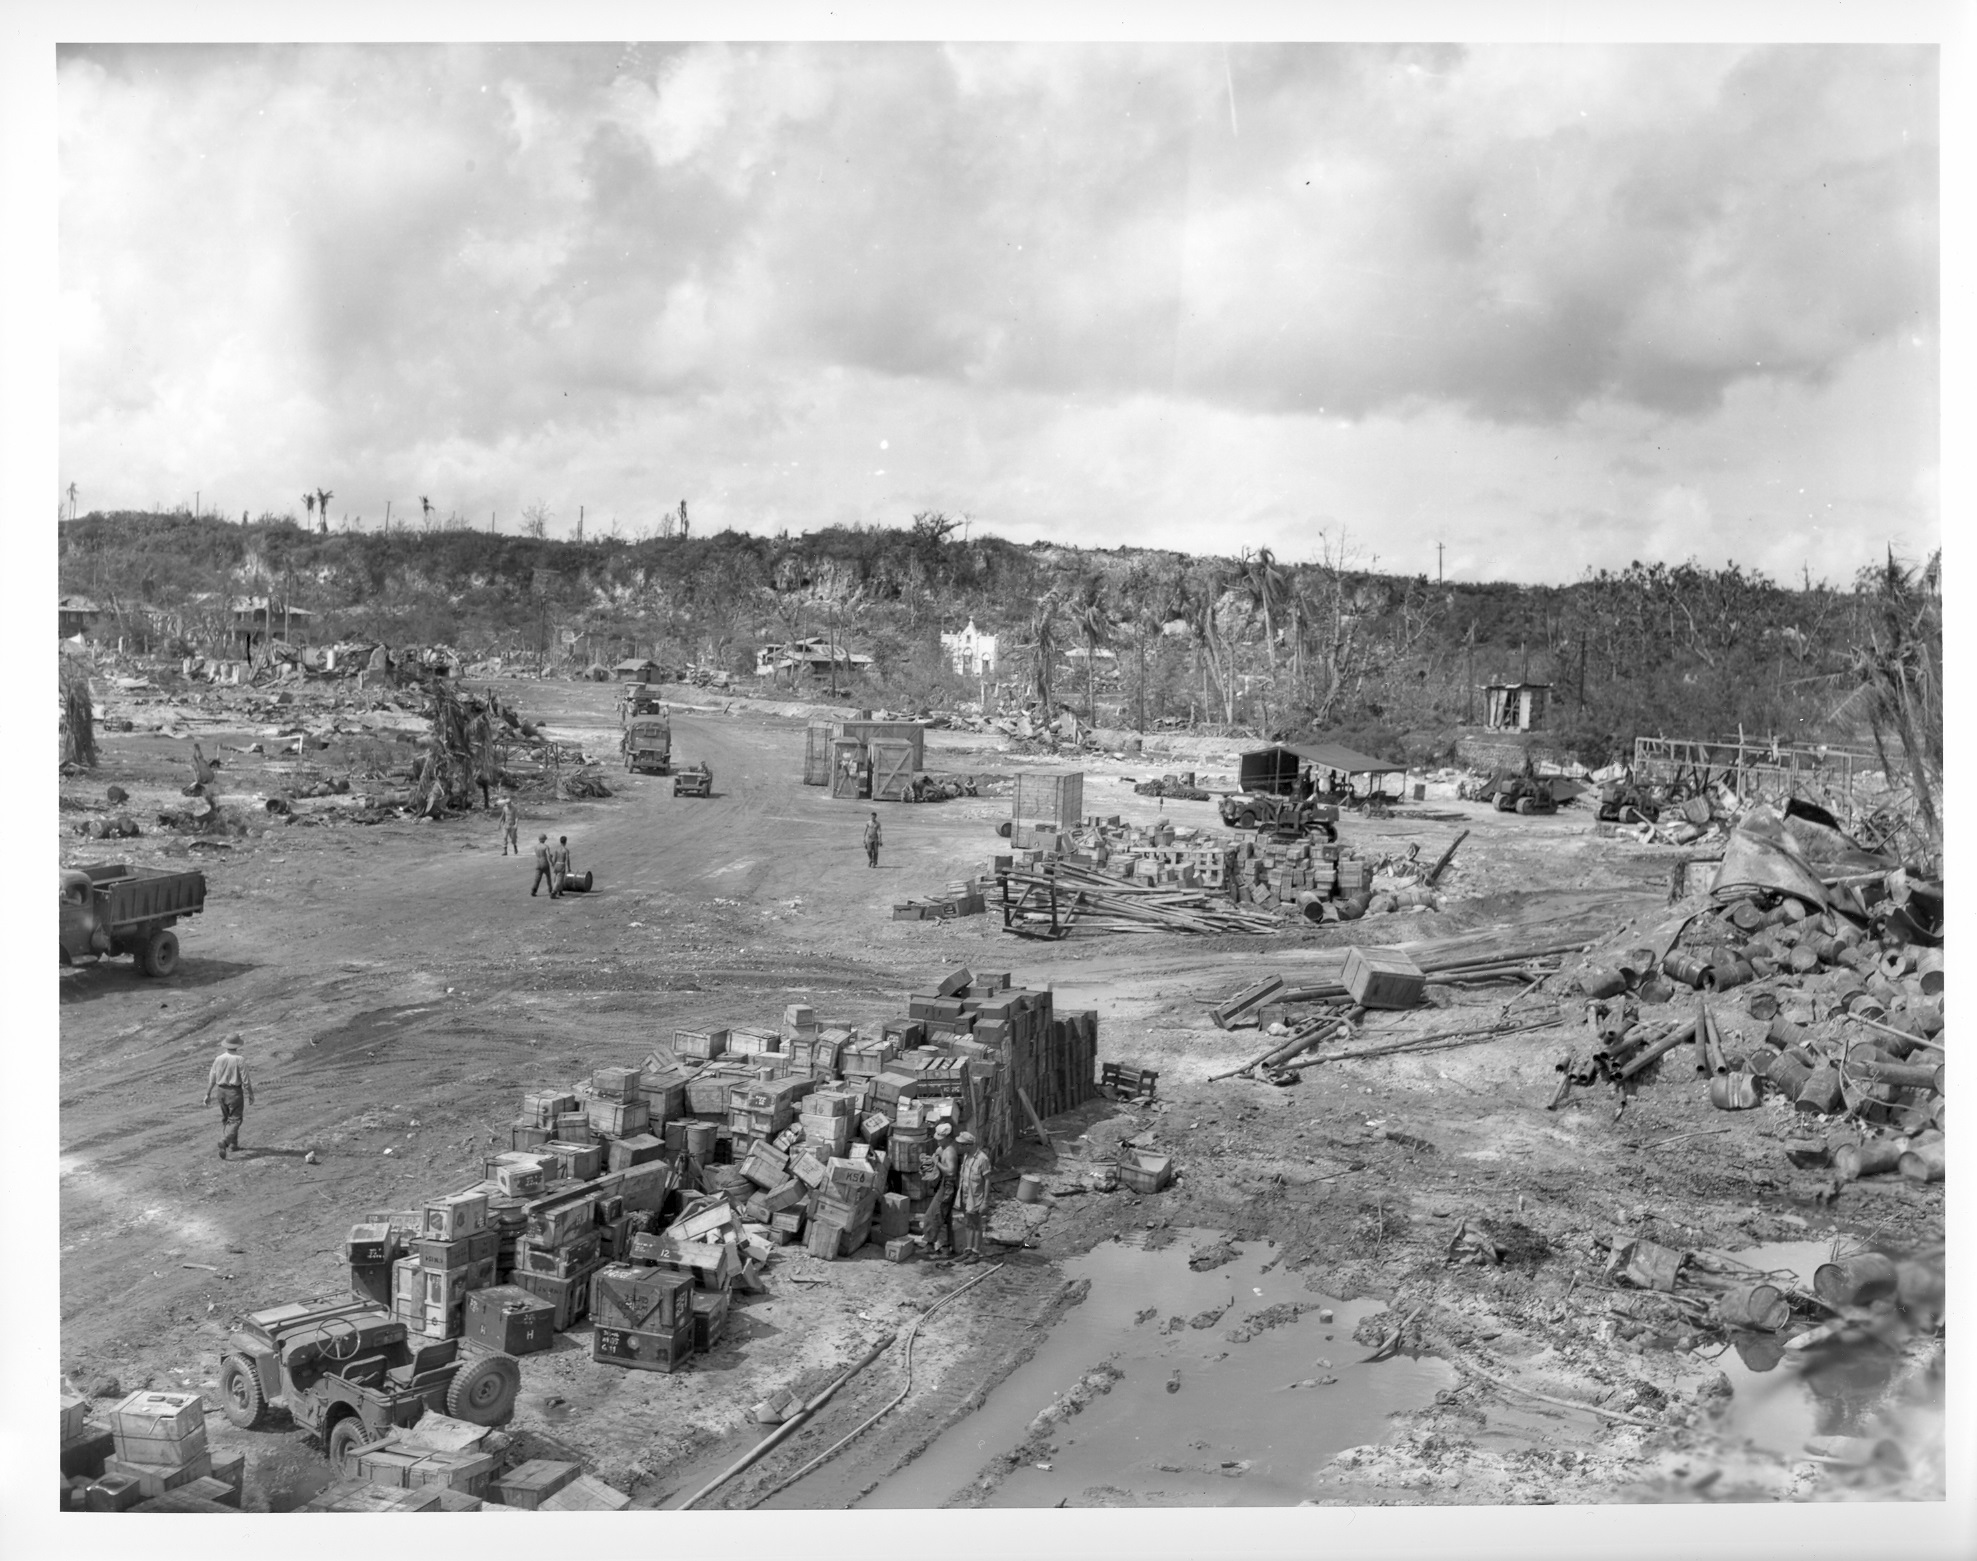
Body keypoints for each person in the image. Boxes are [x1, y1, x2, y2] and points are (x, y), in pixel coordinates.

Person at [204, 1033, 256, 1160]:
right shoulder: (239, 1059)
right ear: (237, 1045)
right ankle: (225, 1141)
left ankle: (233, 1145)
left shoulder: (218, 1059)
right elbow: (245, 1080)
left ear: (226, 1045)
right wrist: (250, 1094)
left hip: (220, 1091)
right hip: (234, 1093)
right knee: (236, 1120)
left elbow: (212, 1078)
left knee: (227, 1119)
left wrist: (208, 1093)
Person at [956, 1132, 993, 1264]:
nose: (959, 1147)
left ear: (968, 1145)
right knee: (968, 1223)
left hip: (976, 1197)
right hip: (966, 1195)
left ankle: (976, 1252)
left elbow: (987, 1180)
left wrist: (985, 1201)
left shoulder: (982, 1159)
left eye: (962, 1144)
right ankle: (968, 1249)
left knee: (976, 1224)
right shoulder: (966, 1156)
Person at [925, 1122, 959, 1257]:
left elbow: (951, 1172)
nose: (938, 1141)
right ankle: (944, 1247)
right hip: (944, 1184)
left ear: (948, 1137)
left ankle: (932, 1245)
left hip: (949, 1186)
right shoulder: (943, 1148)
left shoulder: (950, 1151)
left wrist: (936, 1163)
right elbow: (936, 1155)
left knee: (934, 1214)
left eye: (940, 1138)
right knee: (943, 1216)